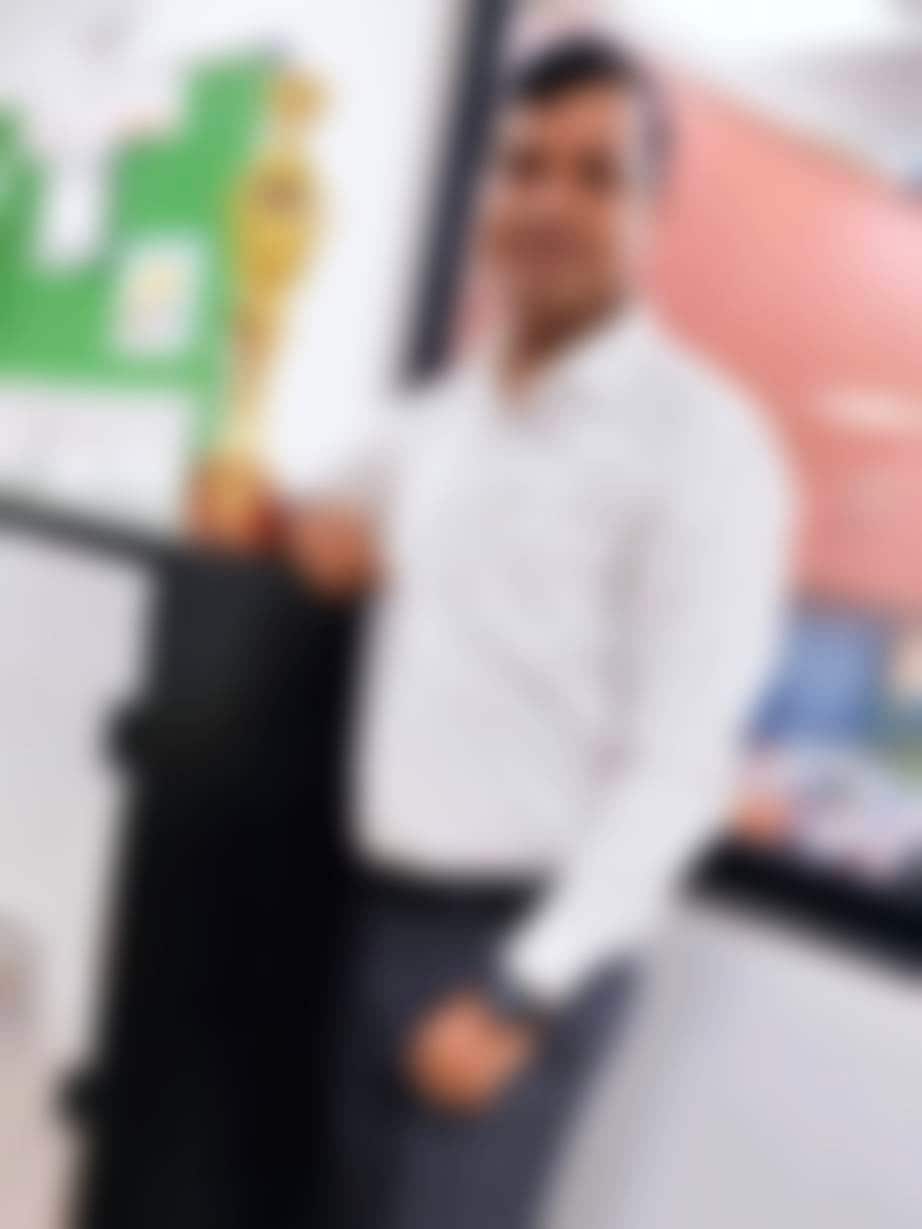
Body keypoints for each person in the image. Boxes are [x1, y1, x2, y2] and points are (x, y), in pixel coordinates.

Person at [291, 36, 793, 1229]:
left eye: (593, 172)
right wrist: (326, 531)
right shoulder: (449, 416)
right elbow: (324, 492)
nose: (547, 201)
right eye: (522, 166)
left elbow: (681, 766)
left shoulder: (705, 447)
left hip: (520, 944)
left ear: (651, 208)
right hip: (383, 916)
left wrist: (521, 990)